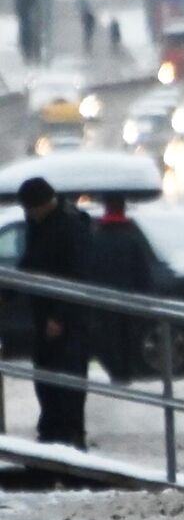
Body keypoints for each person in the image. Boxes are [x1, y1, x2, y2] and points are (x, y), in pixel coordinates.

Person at [19, 177, 93, 448]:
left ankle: (71, 439)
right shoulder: (39, 225)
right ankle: (51, 436)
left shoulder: (70, 226)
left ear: (42, 205)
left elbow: (78, 275)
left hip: (68, 321)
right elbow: (30, 263)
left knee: (68, 381)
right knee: (46, 379)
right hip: (44, 315)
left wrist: (61, 316)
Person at [89, 193, 154, 383]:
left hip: (104, 300)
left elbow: (91, 269)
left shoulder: (97, 237)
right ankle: (124, 373)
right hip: (130, 299)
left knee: (107, 339)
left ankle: (117, 372)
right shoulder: (132, 236)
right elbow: (143, 272)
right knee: (128, 338)